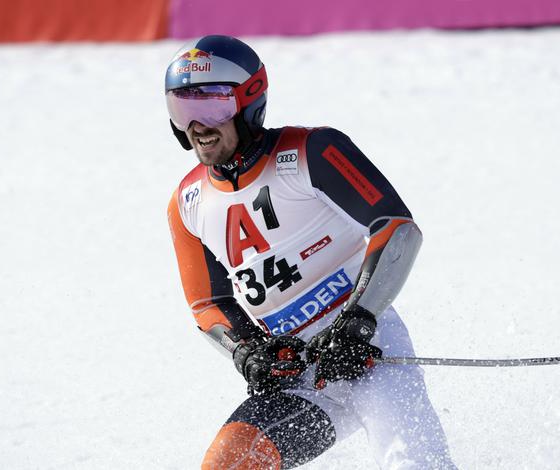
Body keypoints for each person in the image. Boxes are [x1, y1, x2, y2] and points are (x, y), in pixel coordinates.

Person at [165, 35, 456, 470]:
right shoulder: (186, 203)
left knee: (414, 465)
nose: (199, 127)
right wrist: (247, 351)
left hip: (369, 351)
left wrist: (358, 320)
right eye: (183, 109)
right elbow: (209, 303)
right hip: (297, 373)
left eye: (213, 107)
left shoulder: (311, 151)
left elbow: (397, 229)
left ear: (249, 103)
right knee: (228, 463)